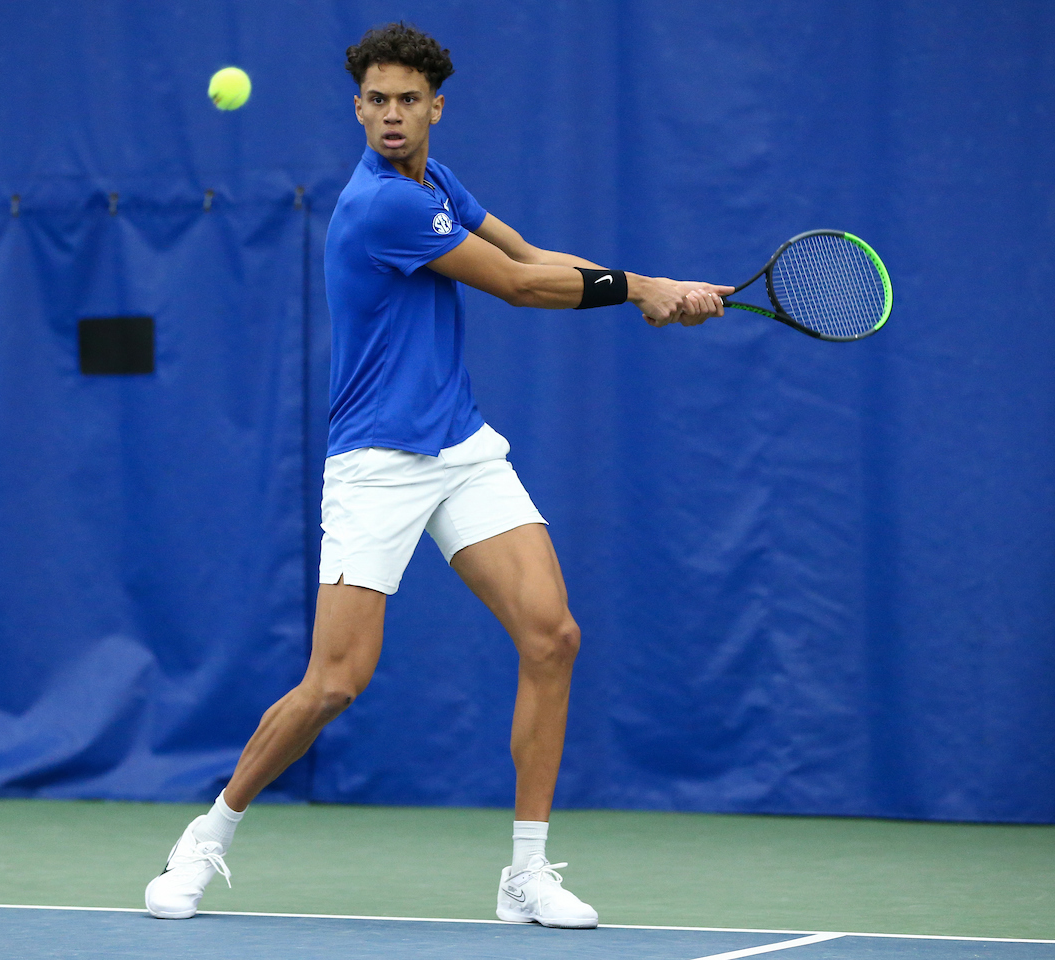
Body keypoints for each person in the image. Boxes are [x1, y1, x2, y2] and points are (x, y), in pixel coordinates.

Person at [145, 22, 732, 929]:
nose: (390, 114)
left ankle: (526, 875)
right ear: (358, 108)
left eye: (406, 101)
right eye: (375, 100)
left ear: (434, 109)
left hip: (459, 449)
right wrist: (643, 293)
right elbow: (519, 288)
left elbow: (534, 255)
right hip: (376, 463)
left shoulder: (438, 183)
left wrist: (655, 281)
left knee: (552, 637)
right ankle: (207, 837)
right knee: (336, 683)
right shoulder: (381, 203)